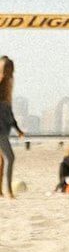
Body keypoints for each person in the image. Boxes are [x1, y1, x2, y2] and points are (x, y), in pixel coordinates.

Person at [0, 56, 24, 199]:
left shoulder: (8, 86)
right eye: (8, 67)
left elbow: (9, 112)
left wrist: (17, 129)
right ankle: (9, 191)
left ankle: (2, 190)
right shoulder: (1, 84)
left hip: (5, 129)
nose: (11, 71)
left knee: (3, 160)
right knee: (11, 158)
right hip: (0, 130)